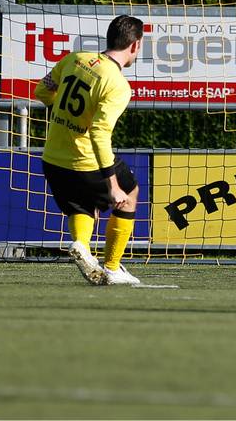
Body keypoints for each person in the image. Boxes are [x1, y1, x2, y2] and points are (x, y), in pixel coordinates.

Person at [34, 15, 146, 286]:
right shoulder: (118, 84)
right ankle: (112, 267)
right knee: (129, 194)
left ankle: (81, 245)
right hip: (85, 162)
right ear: (135, 46)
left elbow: (42, 91)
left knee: (82, 206)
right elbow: (98, 132)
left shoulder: (75, 59)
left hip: (52, 159)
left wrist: (63, 116)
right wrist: (113, 185)